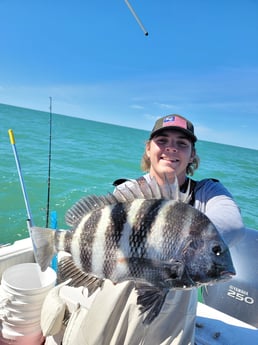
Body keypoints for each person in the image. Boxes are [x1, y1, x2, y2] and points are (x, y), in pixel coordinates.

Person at [48, 114, 245, 345]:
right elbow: (101, 235)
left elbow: (234, 226)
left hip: (172, 315)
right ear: (149, 149)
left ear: (192, 155)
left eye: (182, 144)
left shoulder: (207, 191)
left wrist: (179, 234)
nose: (171, 148)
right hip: (117, 292)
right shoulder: (128, 192)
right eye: (162, 141)